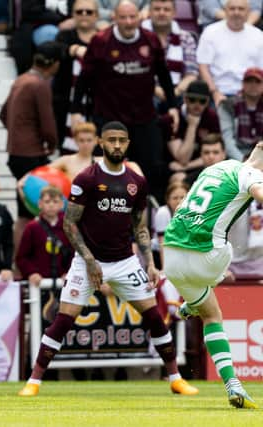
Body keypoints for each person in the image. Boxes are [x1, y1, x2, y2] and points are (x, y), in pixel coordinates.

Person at [18, 121, 198, 397]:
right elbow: (70, 224)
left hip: (125, 262)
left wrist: (149, 262)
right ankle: (34, 382)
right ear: (101, 143)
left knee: (154, 317)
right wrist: (90, 261)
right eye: (111, 140)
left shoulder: (136, 182)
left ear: (127, 144)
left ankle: (175, 378)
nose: (116, 145)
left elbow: (139, 226)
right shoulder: (86, 178)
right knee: (64, 320)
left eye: (121, 140)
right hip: (87, 260)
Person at [162, 141, 263, 409]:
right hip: (206, 257)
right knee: (228, 249)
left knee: (211, 314)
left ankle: (233, 384)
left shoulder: (219, 167)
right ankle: (192, 303)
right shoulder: (253, 174)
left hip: (170, 254)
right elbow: (258, 191)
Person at [71, 0, 178, 202]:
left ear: (140, 17)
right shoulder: (101, 41)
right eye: (123, 17)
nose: (128, 22)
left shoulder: (151, 40)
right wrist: (76, 110)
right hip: (108, 118)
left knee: (154, 167)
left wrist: (172, 105)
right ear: (114, 18)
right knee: (105, 169)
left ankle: (153, 215)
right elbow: (84, 78)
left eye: (132, 17)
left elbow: (164, 75)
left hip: (144, 117)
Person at [0, 41, 62, 246]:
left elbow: (2, 114)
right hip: (31, 153)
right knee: (38, 210)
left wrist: (18, 133)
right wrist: (51, 144)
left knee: (23, 211)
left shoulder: (21, 79)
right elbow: (47, 123)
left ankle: (19, 262)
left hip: (16, 152)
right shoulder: (39, 84)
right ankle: (27, 261)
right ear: (54, 64)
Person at [198, 0, 263, 109]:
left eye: (241, 9)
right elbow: (203, 67)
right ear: (225, 11)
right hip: (217, 93)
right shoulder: (210, 32)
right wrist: (215, 93)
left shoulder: (259, 36)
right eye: (232, 9)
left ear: (248, 12)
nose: (236, 12)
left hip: (250, 94)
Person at [54, 0, 99, 146]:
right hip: (66, 101)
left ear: (97, 15)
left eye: (89, 12)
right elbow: (53, 51)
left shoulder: (103, 38)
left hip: (98, 103)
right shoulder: (64, 36)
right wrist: (73, 49)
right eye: (79, 12)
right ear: (73, 15)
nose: (84, 15)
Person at [141, 0, 199, 106]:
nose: (161, 13)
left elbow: (192, 74)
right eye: (157, 9)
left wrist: (173, 92)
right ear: (149, 12)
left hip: (178, 91)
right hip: (147, 91)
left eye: (166, 9)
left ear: (174, 13)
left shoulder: (185, 37)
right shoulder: (140, 37)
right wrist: (157, 90)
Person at [163, 80, 220, 182]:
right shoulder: (172, 119)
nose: (197, 104)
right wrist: (192, 126)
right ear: (185, 98)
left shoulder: (212, 117)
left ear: (207, 102)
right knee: (179, 178)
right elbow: (182, 159)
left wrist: (186, 166)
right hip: (174, 168)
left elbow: (215, 154)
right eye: (192, 99)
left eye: (202, 101)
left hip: (202, 165)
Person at [16, 186, 72, 287]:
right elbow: (22, 257)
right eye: (47, 202)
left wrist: (70, 272)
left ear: (62, 204)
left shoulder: (68, 227)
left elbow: (75, 255)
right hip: (38, 284)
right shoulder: (32, 227)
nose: (51, 205)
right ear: (40, 204)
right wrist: (31, 273)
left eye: (55, 202)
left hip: (64, 283)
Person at [220, 68, 263, 160]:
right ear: (242, 84)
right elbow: (227, 141)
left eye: (257, 82)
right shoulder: (228, 105)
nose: (253, 85)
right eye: (249, 81)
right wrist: (243, 160)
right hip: (236, 157)